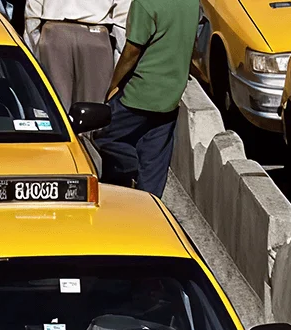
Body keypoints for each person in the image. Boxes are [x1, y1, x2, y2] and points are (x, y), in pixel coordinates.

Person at [93, 0, 199, 198]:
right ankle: (150, 211)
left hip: (139, 93)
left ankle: (127, 172)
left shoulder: (145, 3)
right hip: (170, 96)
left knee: (100, 137)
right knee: (154, 165)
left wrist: (113, 85)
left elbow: (132, 50)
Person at [23, 0, 130, 111]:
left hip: (55, 34)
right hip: (95, 38)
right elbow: (122, 19)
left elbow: (33, 10)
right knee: (93, 110)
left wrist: (33, 48)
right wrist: (118, 70)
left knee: (55, 105)